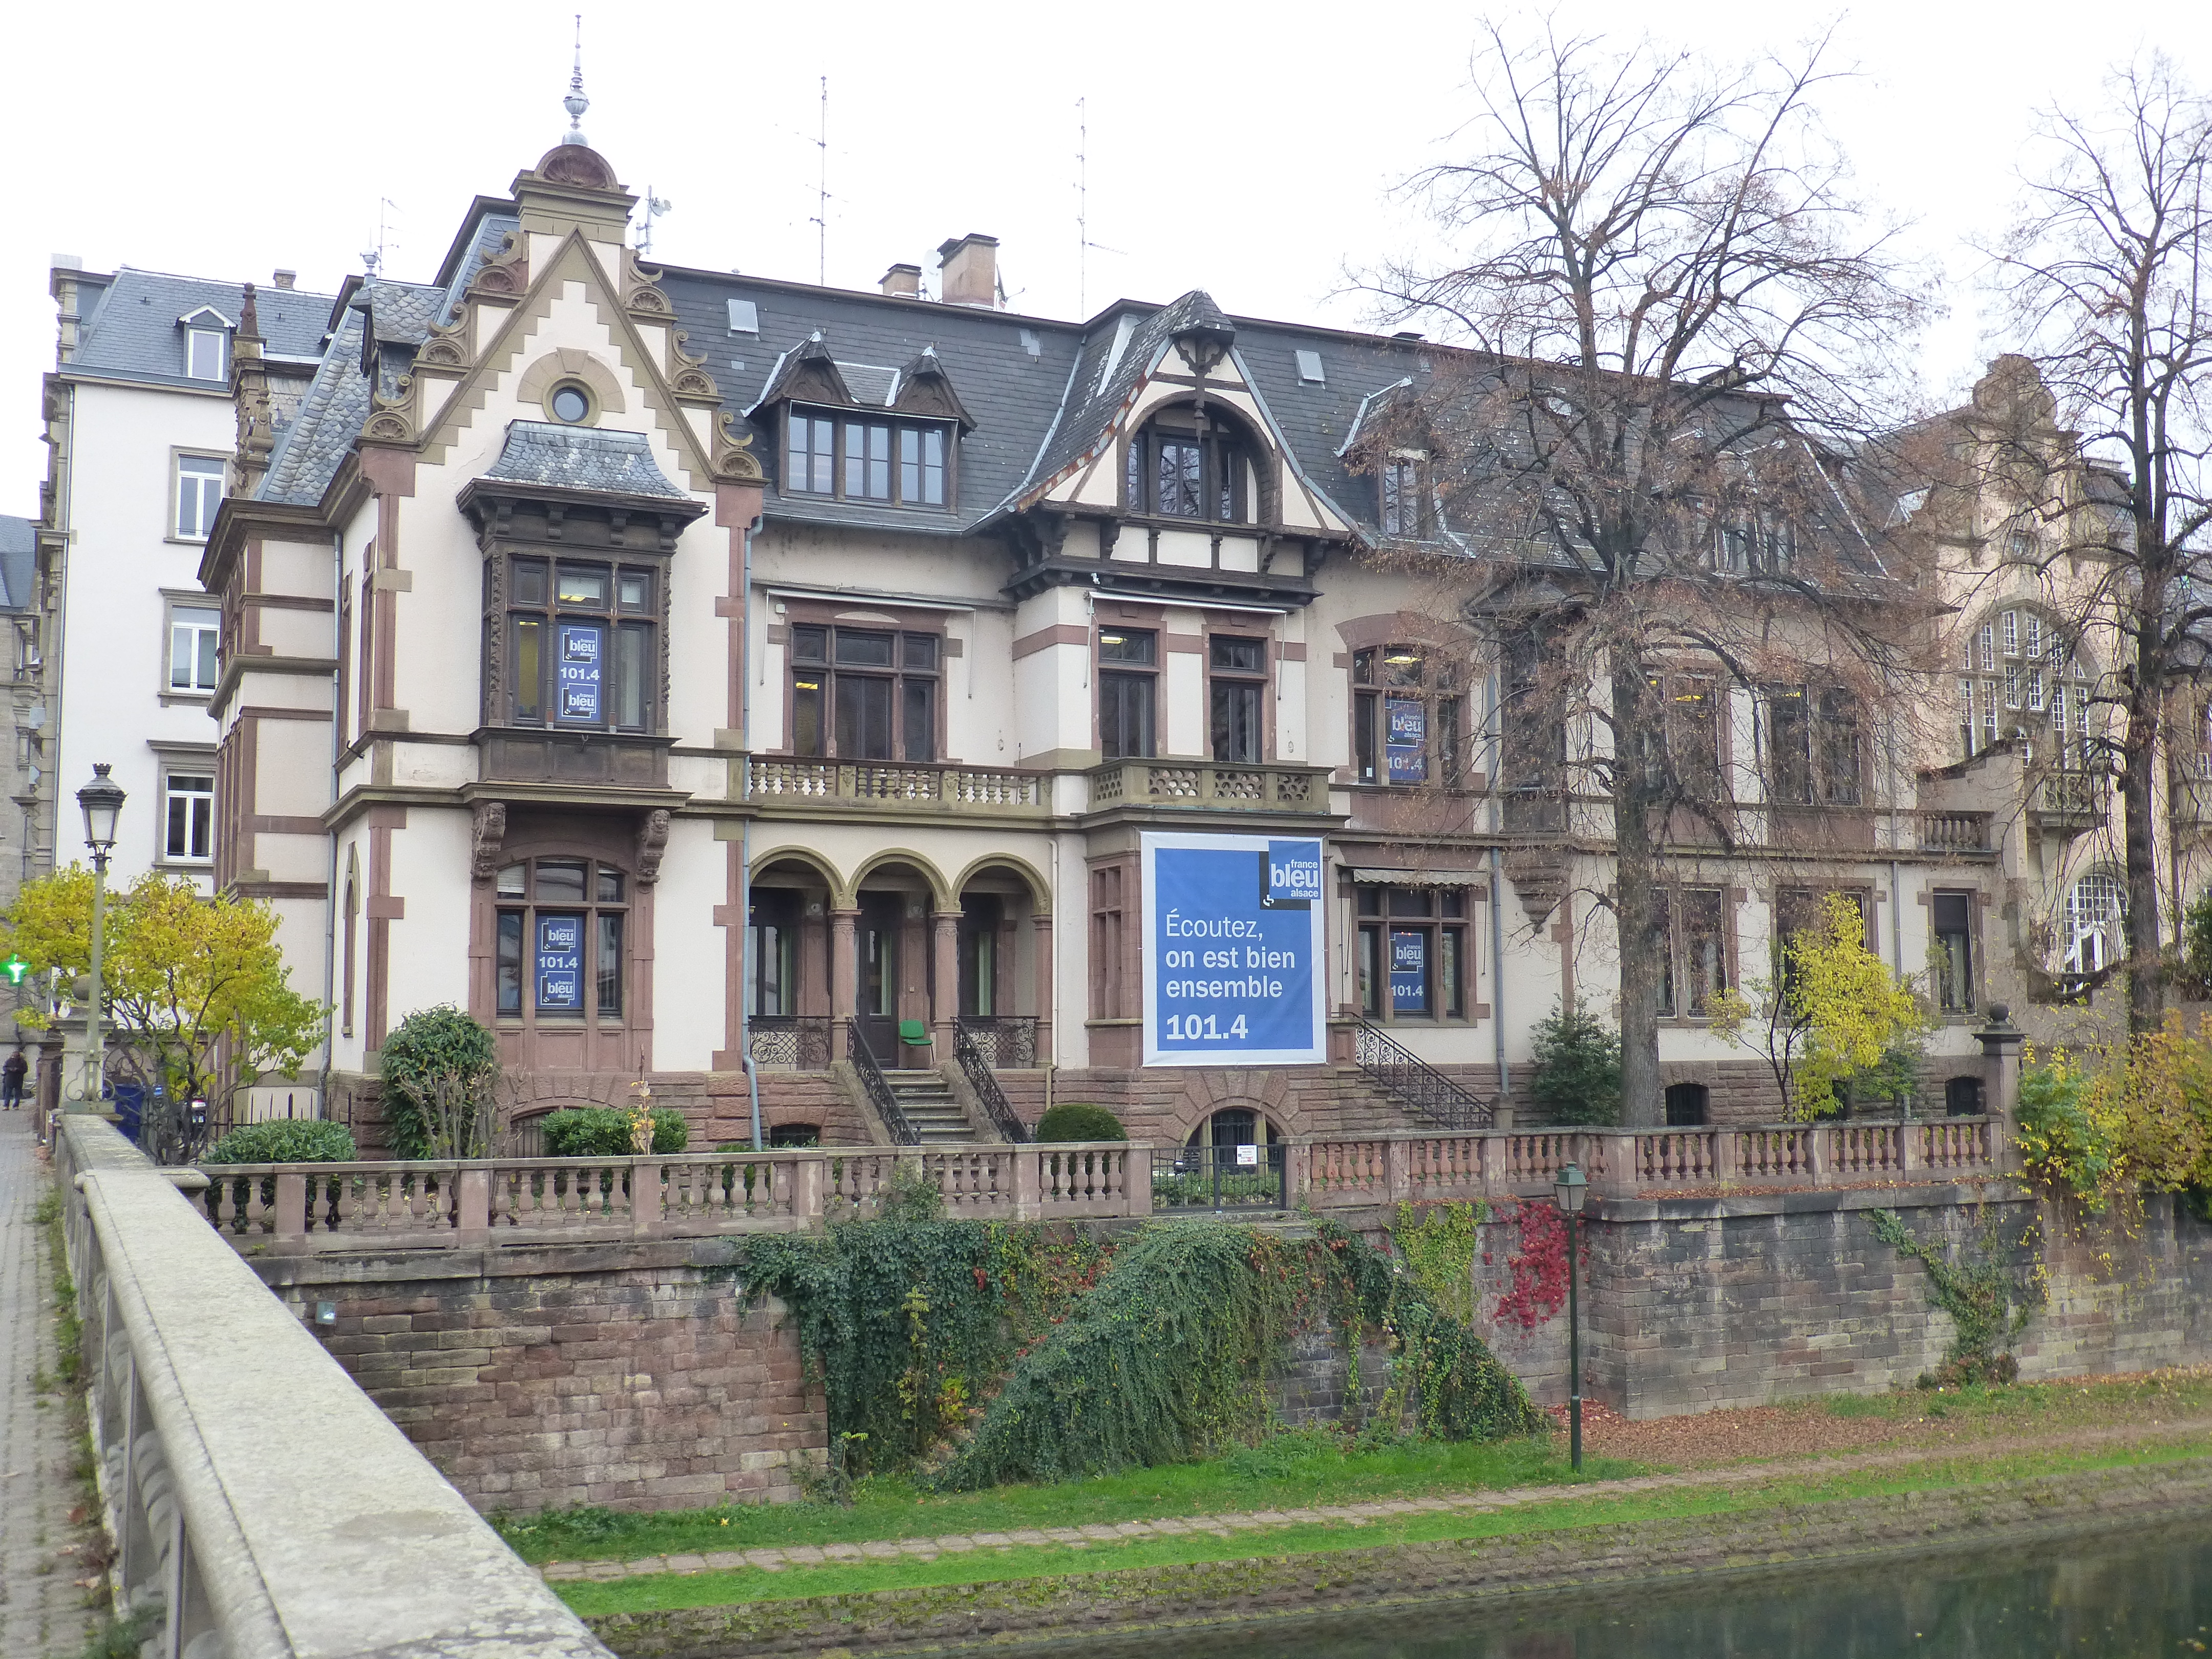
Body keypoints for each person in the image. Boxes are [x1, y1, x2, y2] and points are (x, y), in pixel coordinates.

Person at [2, 1046, 26, 1110]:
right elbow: (5, 1068)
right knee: (8, 1093)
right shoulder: (9, 1061)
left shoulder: (22, 1062)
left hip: (18, 1079)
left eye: (16, 1056)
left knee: (16, 1093)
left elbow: (25, 1070)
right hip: (10, 1079)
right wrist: (10, 1069)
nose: (15, 1057)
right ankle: (7, 1106)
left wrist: (17, 1070)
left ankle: (14, 1106)